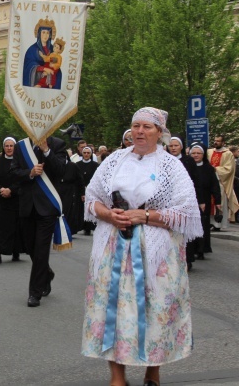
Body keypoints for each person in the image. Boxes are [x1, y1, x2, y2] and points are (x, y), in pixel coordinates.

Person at [81, 107, 202, 386]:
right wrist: (109, 214)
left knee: (155, 308)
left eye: (147, 127)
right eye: (136, 126)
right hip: (113, 245)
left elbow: (187, 212)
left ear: (160, 133)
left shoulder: (172, 166)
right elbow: (91, 197)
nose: (139, 132)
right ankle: (117, 376)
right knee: (112, 308)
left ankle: (153, 371)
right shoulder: (114, 160)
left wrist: (145, 216)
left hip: (157, 252)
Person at [11, 135, 67, 308]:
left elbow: (61, 170)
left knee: (41, 249)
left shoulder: (57, 143)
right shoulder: (21, 146)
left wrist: (46, 151)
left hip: (47, 207)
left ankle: (34, 293)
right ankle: (46, 273)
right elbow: (13, 171)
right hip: (27, 205)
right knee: (30, 247)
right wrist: (29, 172)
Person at [0, 137, 25, 263]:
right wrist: (1, 189)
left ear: (15, 147)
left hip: (15, 199)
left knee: (15, 226)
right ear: (3, 147)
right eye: (6, 146)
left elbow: (22, 179)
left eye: (11, 146)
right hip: (0, 199)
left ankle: (15, 251)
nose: (9, 148)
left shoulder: (20, 162)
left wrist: (11, 190)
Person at [168, 136, 200, 269]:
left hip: (185, 198)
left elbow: (195, 180)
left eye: (176, 145)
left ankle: (188, 258)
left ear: (181, 147)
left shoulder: (188, 161)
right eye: (171, 146)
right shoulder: (165, 160)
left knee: (184, 228)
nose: (173, 148)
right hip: (169, 200)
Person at [189, 143, 221, 261]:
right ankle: (192, 249)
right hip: (190, 200)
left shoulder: (209, 168)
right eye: (194, 153)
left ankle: (202, 249)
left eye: (198, 153)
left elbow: (215, 185)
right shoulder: (186, 166)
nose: (196, 155)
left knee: (203, 225)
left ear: (203, 155)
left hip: (204, 201)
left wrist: (218, 201)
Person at [207, 135, 239, 230]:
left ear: (223, 142)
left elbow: (229, 169)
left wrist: (215, 169)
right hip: (210, 182)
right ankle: (210, 223)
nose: (216, 142)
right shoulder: (209, 152)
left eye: (218, 141)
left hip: (221, 182)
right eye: (215, 140)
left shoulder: (228, 154)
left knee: (220, 202)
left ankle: (218, 224)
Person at [22, 18, 62, 89]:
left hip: (51, 75)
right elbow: (29, 65)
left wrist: (51, 70)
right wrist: (43, 69)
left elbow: (55, 64)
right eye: (43, 32)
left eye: (47, 33)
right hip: (37, 78)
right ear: (39, 33)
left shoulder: (53, 49)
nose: (45, 35)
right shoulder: (32, 49)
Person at [59, 152, 85, 235]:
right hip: (59, 190)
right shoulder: (55, 165)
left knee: (68, 210)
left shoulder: (73, 166)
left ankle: (69, 229)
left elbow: (80, 180)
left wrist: (82, 193)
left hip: (70, 191)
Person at [75, 146, 99, 236]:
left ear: (91, 154)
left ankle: (90, 227)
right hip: (80, 190)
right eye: (84, 153)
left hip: (91, 189)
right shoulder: (77, 165)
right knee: (81, 209)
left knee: (90, 208)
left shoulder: (95, 165)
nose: (86, 154)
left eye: (88, 153)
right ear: (82, 153)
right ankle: (83, 226)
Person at [231, 146, 239, 223]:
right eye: (237, 151)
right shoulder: (231, 160)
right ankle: (235, 217)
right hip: (234, 183)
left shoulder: (236, 160)